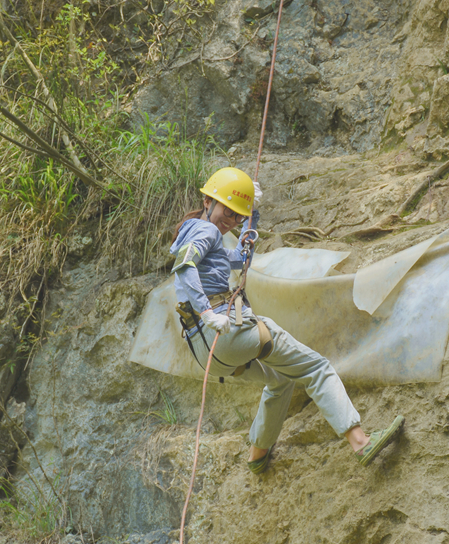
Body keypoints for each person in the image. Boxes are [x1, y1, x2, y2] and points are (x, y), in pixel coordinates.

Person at [170, 167, 404, 473]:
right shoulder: (207, 232)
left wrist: (252, 215)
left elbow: (240, 258)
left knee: (279, 379)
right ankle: (361, 442)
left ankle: (257, 454)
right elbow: (185, 266)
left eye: (237, 216)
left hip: (205, 351)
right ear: (207, 201)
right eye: (228, 211)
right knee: (316, 367)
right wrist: (207, 311)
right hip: (223, 330)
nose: (231, 221)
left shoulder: (199, 233)